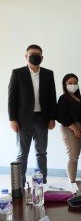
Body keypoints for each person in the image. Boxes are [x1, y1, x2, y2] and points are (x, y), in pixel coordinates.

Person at [8, 44, 57, 184]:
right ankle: (19, 184)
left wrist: (52, 117)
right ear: (26, 56)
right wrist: (12, 119)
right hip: (23, 120)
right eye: (31, 53)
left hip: (42, 118)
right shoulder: (17, 73)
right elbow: (12, 98)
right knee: (22, 154)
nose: (34, 56)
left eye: (37, 54)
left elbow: (52, 97)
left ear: (42, 57)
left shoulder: (48, 74)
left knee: (41, 152)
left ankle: (40, 182)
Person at [57, 74, 81, 183]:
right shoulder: (63, 98)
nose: (73, 85)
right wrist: (74, 128)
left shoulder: (79, 98)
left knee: (76, 156)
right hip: (69, 128)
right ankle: (72, 182)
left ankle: (73, 180)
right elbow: (61, 116)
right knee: (73, 156)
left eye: (75, 83)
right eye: (70, 83)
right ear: (65, 85)